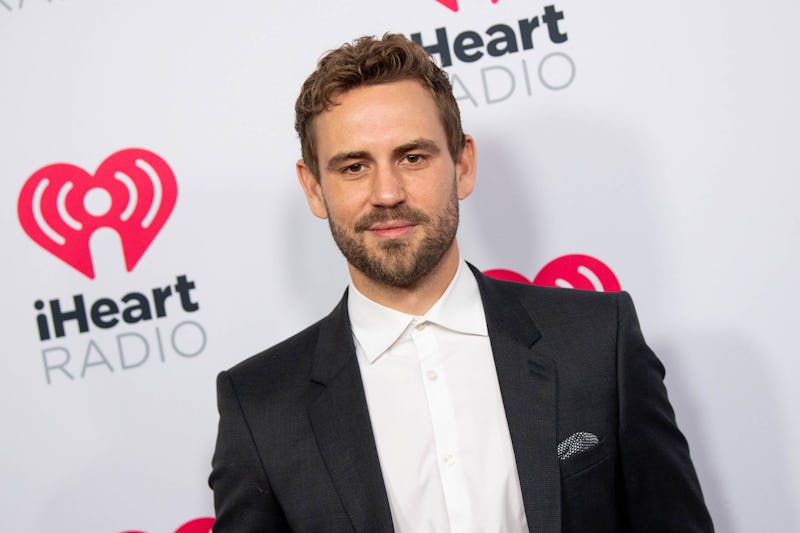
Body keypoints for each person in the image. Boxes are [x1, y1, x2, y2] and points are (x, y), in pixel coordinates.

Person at [209, 34, 714, 532]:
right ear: (314, 189)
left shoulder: (597, 340)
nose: (387, 193)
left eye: (412, 157)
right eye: (355, 166)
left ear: (463, 165)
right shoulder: (259, 407)